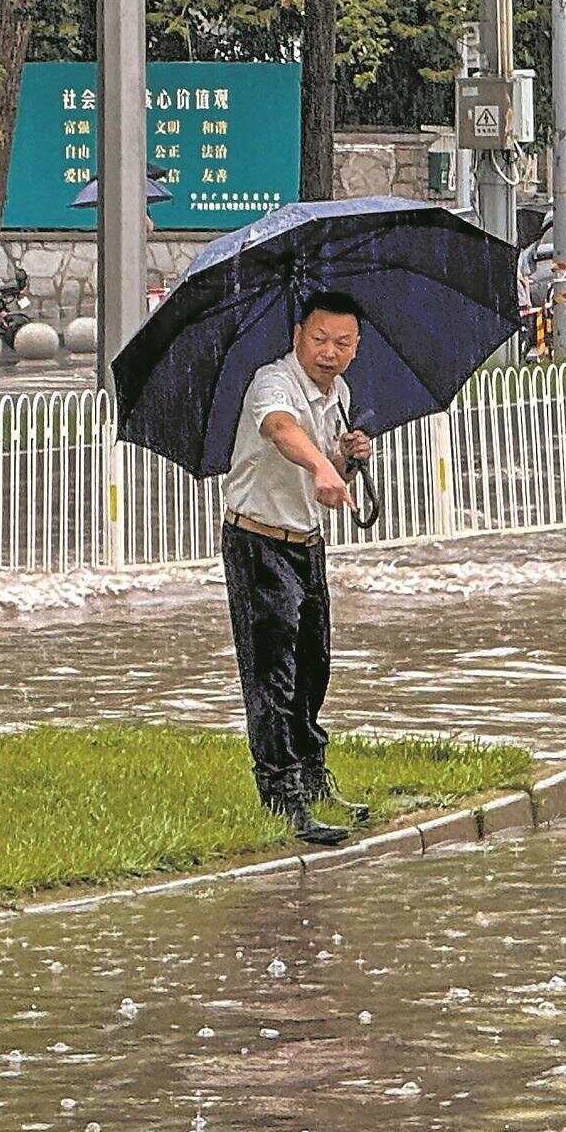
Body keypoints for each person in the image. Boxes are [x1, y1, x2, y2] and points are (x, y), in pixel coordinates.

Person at [222, 290, 375, 847]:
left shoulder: (340, 394)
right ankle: (281, 795)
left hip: (305, 543)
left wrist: (346, 462)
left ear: (356, 348)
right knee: (272, 675)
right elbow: (281, 430)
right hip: (258, 540)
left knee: (314, 665)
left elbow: (327, 477)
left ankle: (312, 777)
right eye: (319, 339)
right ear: (297, 338)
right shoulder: (273, 382)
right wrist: (319, 463)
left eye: (342, 342)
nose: (329, 352)